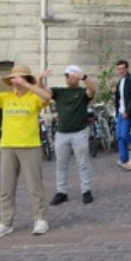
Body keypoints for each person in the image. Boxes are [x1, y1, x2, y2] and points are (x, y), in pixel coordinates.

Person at [0, 64, 53, 238]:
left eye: (20, 78)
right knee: (6, 188)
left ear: (26, 79)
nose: (15, 81)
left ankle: (41, 219)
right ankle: (6, 222)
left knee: (35, 186)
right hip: (8, 146)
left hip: (30, 146)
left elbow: (47, 96)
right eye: (13, 78)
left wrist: (27, 85)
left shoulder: (33, 97)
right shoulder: (5, 97)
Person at [42, 65, 97, 206]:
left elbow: (92, 90)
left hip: (79, 132)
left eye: (71, 76)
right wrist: (40, 78)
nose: (68, 79)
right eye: (66, 76)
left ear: (76, 77)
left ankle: (86, 190)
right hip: (62, 133)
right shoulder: (59, 92)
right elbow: (43, 92)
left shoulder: (82, 92)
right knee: (61, 164)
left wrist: (84, 77)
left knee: (83, 163)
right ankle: (62, 192)